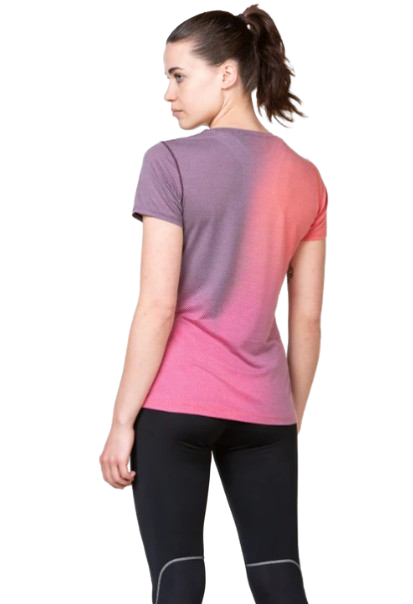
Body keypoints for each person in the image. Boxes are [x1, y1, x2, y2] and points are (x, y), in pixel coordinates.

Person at [99, 4, 327, 603]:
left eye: (178, 76)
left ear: (226, 74)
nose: (168, 93)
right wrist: (289, 416)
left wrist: (121, 424)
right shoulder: (307, 176)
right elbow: (306, 318)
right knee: (280, 579)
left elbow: (156, 305)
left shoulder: (168, 160)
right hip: (265, 408)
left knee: (177, 581)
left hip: (175, 402)